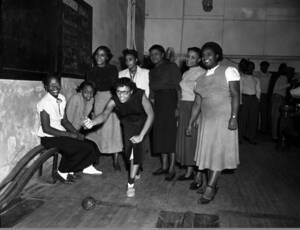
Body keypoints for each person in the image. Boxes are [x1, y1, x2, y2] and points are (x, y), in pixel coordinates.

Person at [187, 42, 240, 204]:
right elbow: (197, 104)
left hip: (223, 119)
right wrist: (190, 123)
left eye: (209, 54)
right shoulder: (200, 79)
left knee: (217, 154)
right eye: (203, 55)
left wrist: (233, 117)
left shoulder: (229, 71)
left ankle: (210, 187)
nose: (205, 58)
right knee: (209, 154)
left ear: (217, 55)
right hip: (206, 121)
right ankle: (211, 183)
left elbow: (236, 94)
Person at [83, 78, 154, 197]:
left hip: (143, 121)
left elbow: (151, 115)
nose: (121, 95)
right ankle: (137, 168)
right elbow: (104, 114)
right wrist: (93, 122)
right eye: (118, 91)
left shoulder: (140, 95)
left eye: (125, 92)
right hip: (128, 123)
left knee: (135, 150)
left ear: (131, 91)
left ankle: (130, 184)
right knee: (127, 152)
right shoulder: (114, 100)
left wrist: (141, 135)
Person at [37, 75, 102, 184]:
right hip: (49, 138)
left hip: (61, 135)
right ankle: (62, 171)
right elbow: (46, 129)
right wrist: (69, 135)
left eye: (57, 84)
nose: (55, 87)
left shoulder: (61, 98)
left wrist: (76, 133)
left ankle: (69, 170)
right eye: (51, 85)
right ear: (46, 87)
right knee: (83, 148)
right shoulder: (44, 103)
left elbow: (64, 121)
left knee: (91, 146)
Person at [86, 46, 123, 170]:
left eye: (102, 55)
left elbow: (115, 87)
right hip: (97, 100)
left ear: (107, 57)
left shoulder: (112, 69)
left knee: (114, 130)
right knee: (97, 129)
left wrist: (116, 103)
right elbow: (90, 90)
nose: (99, 57)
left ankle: (116, 160)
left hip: (110, 100)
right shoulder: (91, 71)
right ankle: (95, 157)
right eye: (97, 54)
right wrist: (90, 108)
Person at [149, 44, 182, 181]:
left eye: (156, 54)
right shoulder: (152, 71)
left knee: (170, 136)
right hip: (158, 104)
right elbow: (151, 91)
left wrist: (177, 107)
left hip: (170, 102)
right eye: (151, 54)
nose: (153, 57)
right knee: (160, 135)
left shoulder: (172, 67)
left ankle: (172, 168)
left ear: (162, 54)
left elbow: (179, 89)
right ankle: (163, 166)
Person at [175, 47, 205, 182]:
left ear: (199, 59)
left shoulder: (202, 73)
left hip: (194, 107)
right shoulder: (186, 73)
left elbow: (202, 96)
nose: (189, 59)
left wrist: (199, 116)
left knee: (193, 140)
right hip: (183, 107)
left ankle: (196, 173)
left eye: (193, 57)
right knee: (186, 139)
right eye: (188, 56)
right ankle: (189, 171)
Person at [239, 61, 261, 144]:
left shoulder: (256, 79)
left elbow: (258, 90)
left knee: (253, 119)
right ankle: (239, 137)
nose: (251, 68)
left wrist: (258, 100)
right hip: (244, 98)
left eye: (252, 67)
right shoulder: (242, 77)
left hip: (254, 99)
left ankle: (250, 137)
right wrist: (240, 102)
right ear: (246, 67)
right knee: (242, 119)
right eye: (249, 66)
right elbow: (240, 90)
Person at [271, 64, 290, 141]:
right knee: (276, 118)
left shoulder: (279, 76)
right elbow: (278, 88)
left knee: (275, 117)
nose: (286, 70)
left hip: (277, 97)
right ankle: (274, 136)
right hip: (278, 98)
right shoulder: (283, 77)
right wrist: (289, 84)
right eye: (285, 69)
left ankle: (275, 135)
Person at [254, 61, 271, 133]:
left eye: (266, 66)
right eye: (263, 66)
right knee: (255, 113)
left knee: (264, 113)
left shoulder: (270, 75)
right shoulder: (256, 74)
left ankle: (263, 130)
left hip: (265, 95)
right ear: (260, 66)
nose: (264, 67)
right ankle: (255, 129)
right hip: (257, 94)